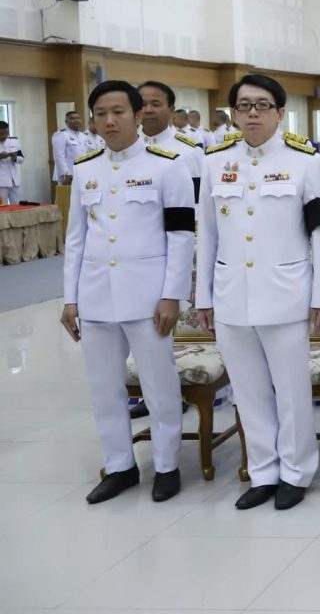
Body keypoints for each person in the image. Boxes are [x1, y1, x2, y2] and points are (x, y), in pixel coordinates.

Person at [196, 74, 320, 511]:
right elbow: (207, 234)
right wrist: (203, 297)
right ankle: (263, 471)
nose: (252, 113)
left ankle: (296, 471)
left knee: (291, 391)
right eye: (243, 105)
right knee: (248, 391)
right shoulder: (215, 162)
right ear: (234, 113)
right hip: (231, 294)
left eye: (262, 105)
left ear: (280, 112)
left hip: (286, 293)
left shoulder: (305, 161)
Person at [60, 80, 195, 504]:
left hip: (148, 296)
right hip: (96, 295)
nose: (109, 121)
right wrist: (70, 298)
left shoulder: (167, 165)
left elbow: (181, 236)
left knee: (159, 386)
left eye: (118, 112)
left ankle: (167, 465)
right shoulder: (86, 169)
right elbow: (76, 239)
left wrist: (172, 294)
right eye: (100, 113)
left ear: (138, 116)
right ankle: (120, 466)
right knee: (104, 387)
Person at [138, 82, 205, 202]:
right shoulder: (125, 148)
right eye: (142, 105)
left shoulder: (191, 152)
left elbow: (197, 202)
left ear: (171, 110)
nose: (148, 110)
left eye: (155, 104)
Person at [52, 110, 89, 185]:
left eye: (78, 118)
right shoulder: (61, 135)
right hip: (69, 174)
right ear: (66, 121)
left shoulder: (83, 136)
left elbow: (86, 154)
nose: (76, 120)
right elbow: (59, 156)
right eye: (72, 118)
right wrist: (66, 173)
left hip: (82, 172)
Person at [0, 121, 24, 204]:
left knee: (18, 206)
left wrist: (15, 157)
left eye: (6, 133)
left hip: (14, 181)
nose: (4, 136)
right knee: (2, 207)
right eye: (1, 134)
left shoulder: (14, 142)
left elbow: (21, 159)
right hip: (1, 183)